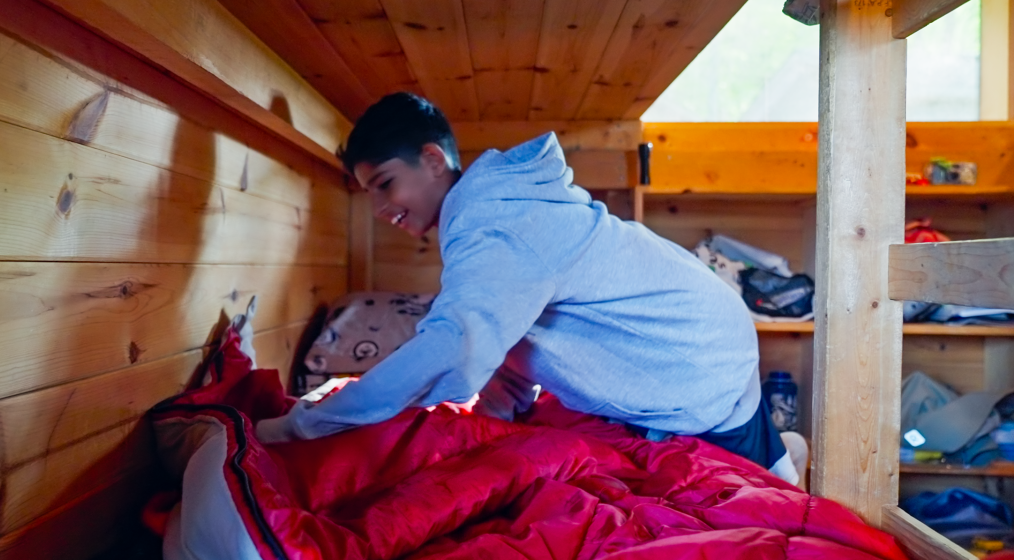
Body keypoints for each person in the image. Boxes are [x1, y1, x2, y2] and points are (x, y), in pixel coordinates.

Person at [254, 92, 798, 484]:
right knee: (753, 444)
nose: (380, 211)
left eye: (386, 185)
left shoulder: (495, 224)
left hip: (696, 364)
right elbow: (510, 336)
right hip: (709, 338)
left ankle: (777, 467)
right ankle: (780, 452)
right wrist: (492, 419)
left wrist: (307, 424)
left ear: (432, 159)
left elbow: (457, 344)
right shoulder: (495, 216)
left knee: (742, 490)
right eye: (369, 194)